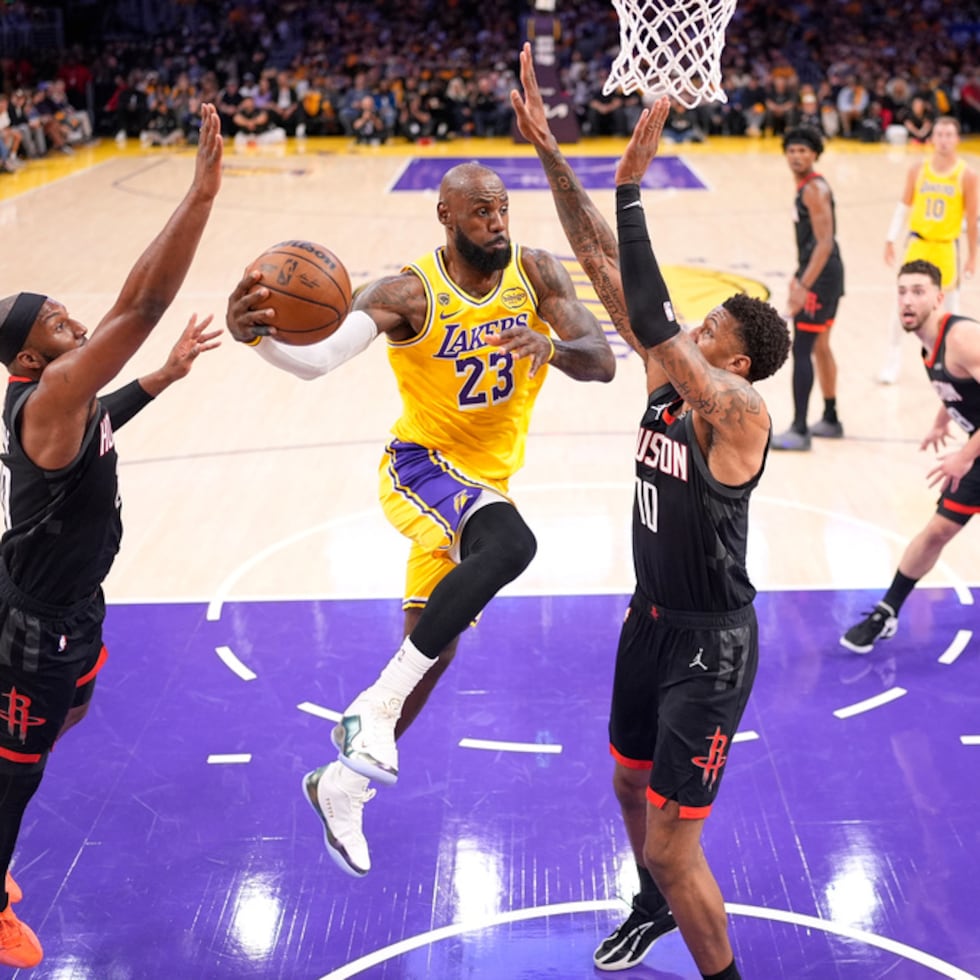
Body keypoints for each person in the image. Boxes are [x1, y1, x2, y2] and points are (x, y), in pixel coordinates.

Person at [225, 161, 616, 878]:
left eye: (502, 208)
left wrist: (552, 348)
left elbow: (602, 361)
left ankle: (340, 786)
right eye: (481, 212)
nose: (496, 222)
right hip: (421, 470)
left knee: (432, 649)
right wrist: (258, 339)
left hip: (482, 485)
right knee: (512, 543)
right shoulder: (408, 293)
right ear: (446, 215)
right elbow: (319, 360)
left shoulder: (535, 272)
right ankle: (371, 711)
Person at [511, 43, 790, 980]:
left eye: (713, 330)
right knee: (628, 783)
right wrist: (551, 151)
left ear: (737, 361)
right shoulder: (673, 378)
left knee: (677, 847)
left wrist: (632, 187)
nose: (693, 331)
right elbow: (599, 258)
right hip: (650, 622)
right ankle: (649, 906)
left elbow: (659, 320)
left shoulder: (738, 412)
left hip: (713, 644)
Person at [0, 102, 223, 967]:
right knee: (20, 770)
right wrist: (199, 195)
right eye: (57, 323)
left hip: (74, 603)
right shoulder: (49, 394)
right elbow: (144, 302)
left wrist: (161, 379)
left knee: (76, 708)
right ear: (28, 359)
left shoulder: (67, 402)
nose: (77, 324)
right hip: (35, 620)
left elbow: (100, 419)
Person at [841, 260, 980, 653]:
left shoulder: (962, 337)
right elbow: (959, 385)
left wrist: (965, 456)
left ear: (938, 298)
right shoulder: (927, 342)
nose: (907, 299)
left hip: (975, 451)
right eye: (902, 291)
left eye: (918, 291)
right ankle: (887, 611)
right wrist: (942, 420)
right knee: (937, 531)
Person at [878, 116, 977, 384]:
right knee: (902, 304)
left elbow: (972, 219)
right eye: (939, 134)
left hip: (946, 248)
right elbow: (904, 206)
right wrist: (890, 238)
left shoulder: (967, 174)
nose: (944, 140)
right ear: (932, 138)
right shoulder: (918, 169)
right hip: (918, 245)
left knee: (949, 310)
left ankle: (950, 363)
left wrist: (972, 257)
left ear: (957, 139)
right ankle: (892, 360)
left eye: (949, 135)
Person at [772, 126, 846, 451]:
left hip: (821, 279)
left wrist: (803, 284)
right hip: (824, 274)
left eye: (803, 151)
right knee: (821, 346)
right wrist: (798, 274)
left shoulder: (814, 189)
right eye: (792, 151)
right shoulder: (807, 186)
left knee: (802, 349)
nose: (797, 156)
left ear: (815, 154)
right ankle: (830, 418)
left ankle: (800, 430)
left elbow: (824, 243)